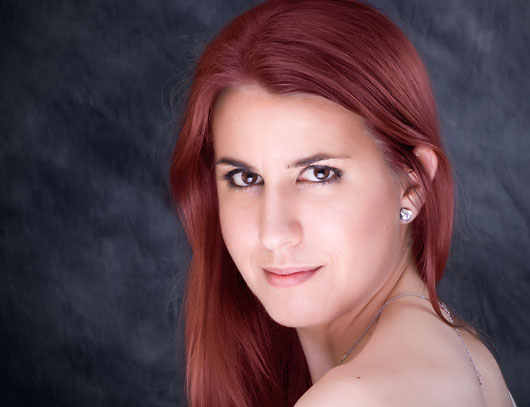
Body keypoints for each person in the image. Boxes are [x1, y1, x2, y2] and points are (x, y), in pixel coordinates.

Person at [169, 0, 516, 405]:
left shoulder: (354, 397)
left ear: (411, 185)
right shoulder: (461, 352)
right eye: (246, 179)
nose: (274, 233)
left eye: (319, 174)